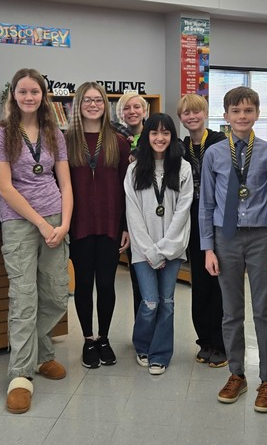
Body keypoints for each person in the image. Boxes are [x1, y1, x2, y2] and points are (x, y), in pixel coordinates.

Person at [0, 68, 73, 415]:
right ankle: (21, 375)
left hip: (56, 220)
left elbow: (66, 183)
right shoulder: (0, 133)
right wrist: (40, 223)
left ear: (43, 95)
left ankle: (40, 353)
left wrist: (64, 224)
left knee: (55, 295)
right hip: (20, 223)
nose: (28, 97)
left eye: (34, 91)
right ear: (13, 95)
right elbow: (6, 187)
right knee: (24, 299)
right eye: (22, 91)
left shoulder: (55, 132)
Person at [201, 86, 267, 413]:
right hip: (226, 238)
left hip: (262, 237)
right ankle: (237, 373)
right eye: (235, 112)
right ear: (225, 116)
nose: (242, 116)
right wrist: (208, 247)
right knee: (231, 311)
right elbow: (206, 204)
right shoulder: (214, 154)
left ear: (257, 114)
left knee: (264, 310)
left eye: (248, 111)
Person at [66, 82, 131, 369]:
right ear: (78, 105)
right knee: (83, 284)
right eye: (87, 100)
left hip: (110, 223)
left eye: (98, 100)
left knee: (106, 283)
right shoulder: (66, 141)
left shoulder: (118, 141)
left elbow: (126, 187)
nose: (93, 105)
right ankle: (88, 339)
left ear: (106, 105)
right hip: (78, 225)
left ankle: (104, 338)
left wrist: (126, 226)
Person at [124, 113, 193, 375]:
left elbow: (182, 212)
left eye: (166, 133)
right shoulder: (134, 170)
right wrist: (151, 251)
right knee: (150, 301)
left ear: (172, 137)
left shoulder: (183, 168)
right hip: (143, 250)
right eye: (154, 133)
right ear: (147, 136)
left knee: (167, 301)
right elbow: (134, 215)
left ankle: (161, 354)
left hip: (173, 249)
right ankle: (142, 344)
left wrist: (164, 249)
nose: (160, 138)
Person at [178, 93, 228, 367]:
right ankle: (205, 341)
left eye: (196, 111)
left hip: (218, 220)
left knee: (218, 283)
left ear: (205, 113)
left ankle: (222, 343)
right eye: (186, 113)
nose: (192, 116)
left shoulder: (221, 142)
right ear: (181, 118)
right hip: (192, 222)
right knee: (200, 283)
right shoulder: (180, 146)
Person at [115, 92, 149, 315]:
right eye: (126, 108)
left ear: (145, 111)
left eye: (137, 107)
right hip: (129, 217)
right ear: (120, 113)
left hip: (155, 215)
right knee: (138, 276)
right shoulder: (116, 140)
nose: (132, 112)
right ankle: (142, 334)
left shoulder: (157, 136)